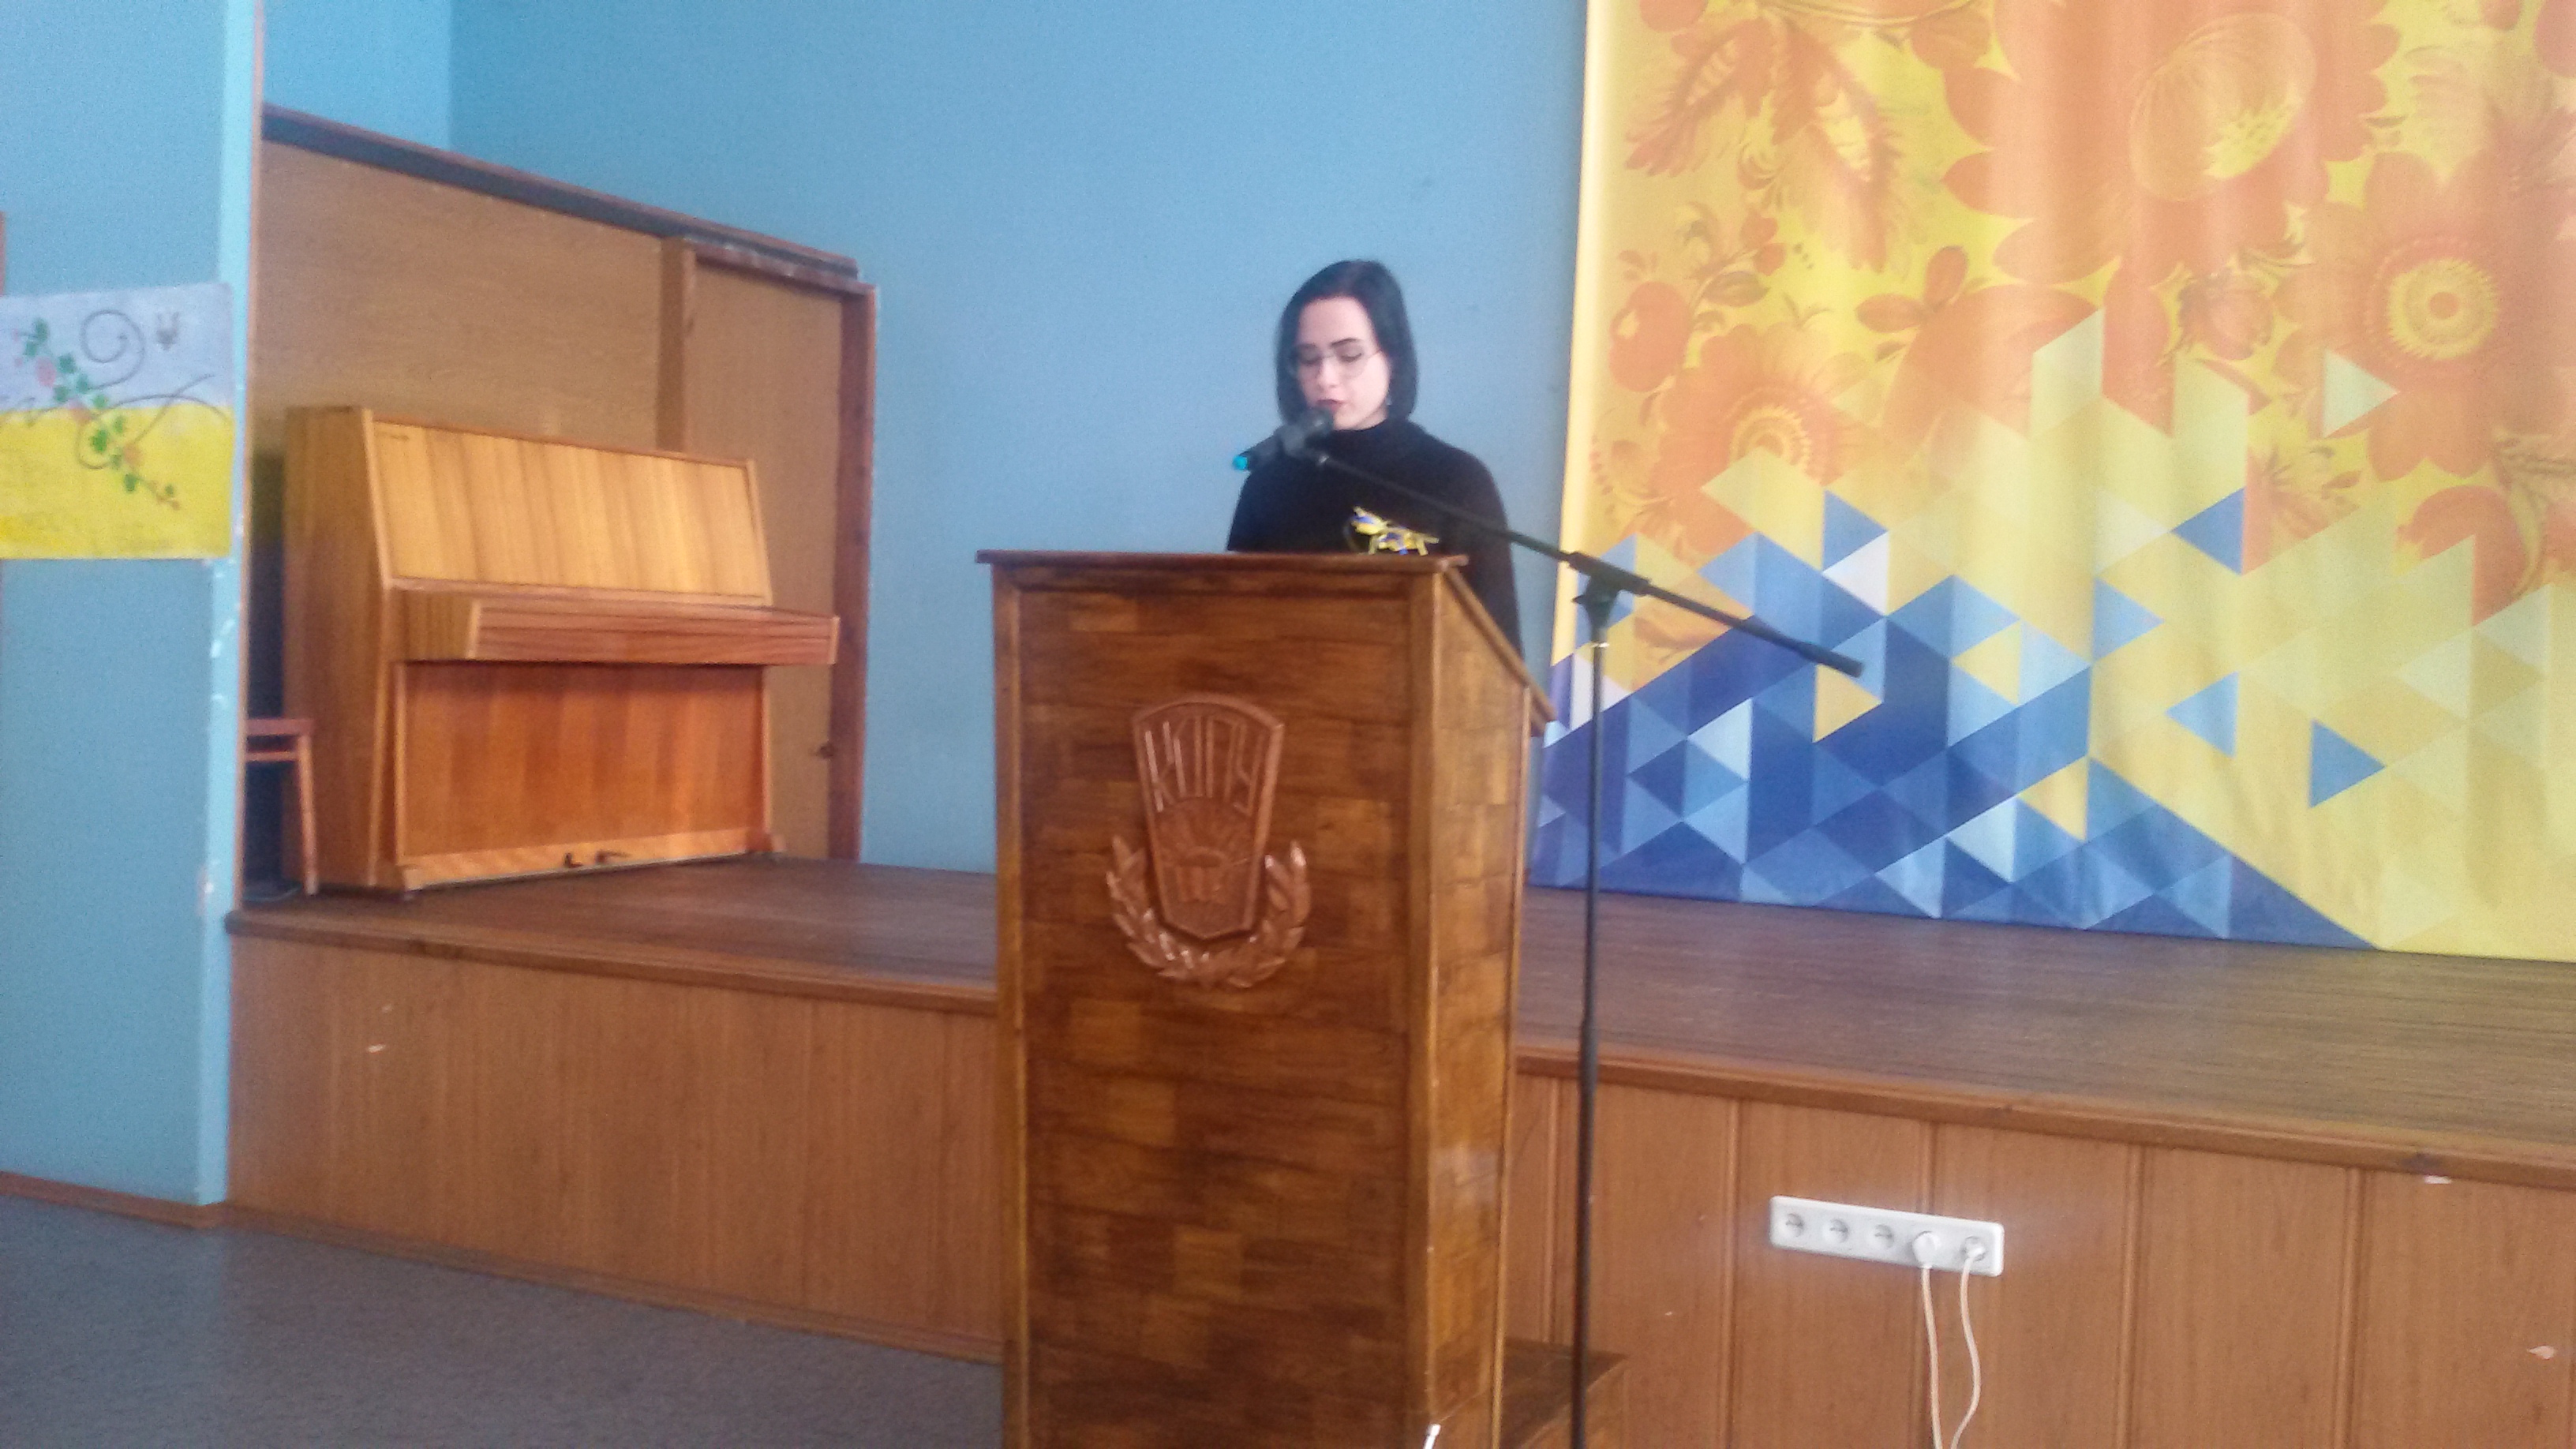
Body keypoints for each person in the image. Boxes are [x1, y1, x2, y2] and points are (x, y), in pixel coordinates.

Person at [1226, 260, 1521, 650]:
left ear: (1393, 358)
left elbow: (1498, 652)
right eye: (1309, 358)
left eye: (1349, 355)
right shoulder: (1268, 483)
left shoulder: (1457, 481)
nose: (1325, 378)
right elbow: (1234, 631)